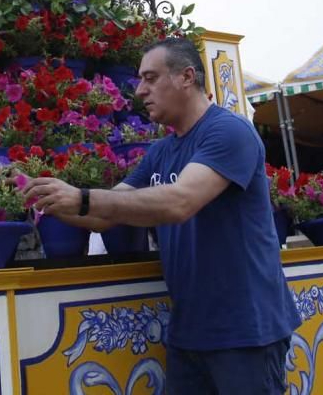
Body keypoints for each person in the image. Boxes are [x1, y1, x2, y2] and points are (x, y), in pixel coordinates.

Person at [24, 37, 300, 394]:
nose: (140, 90)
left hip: (246, 331)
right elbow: (104, 217)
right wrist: (53, 201)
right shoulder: (161, 152)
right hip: (190, 334)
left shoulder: (230, 131)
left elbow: (179, 201)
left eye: (151, 78)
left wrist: (83, 198)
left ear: (186, 77)